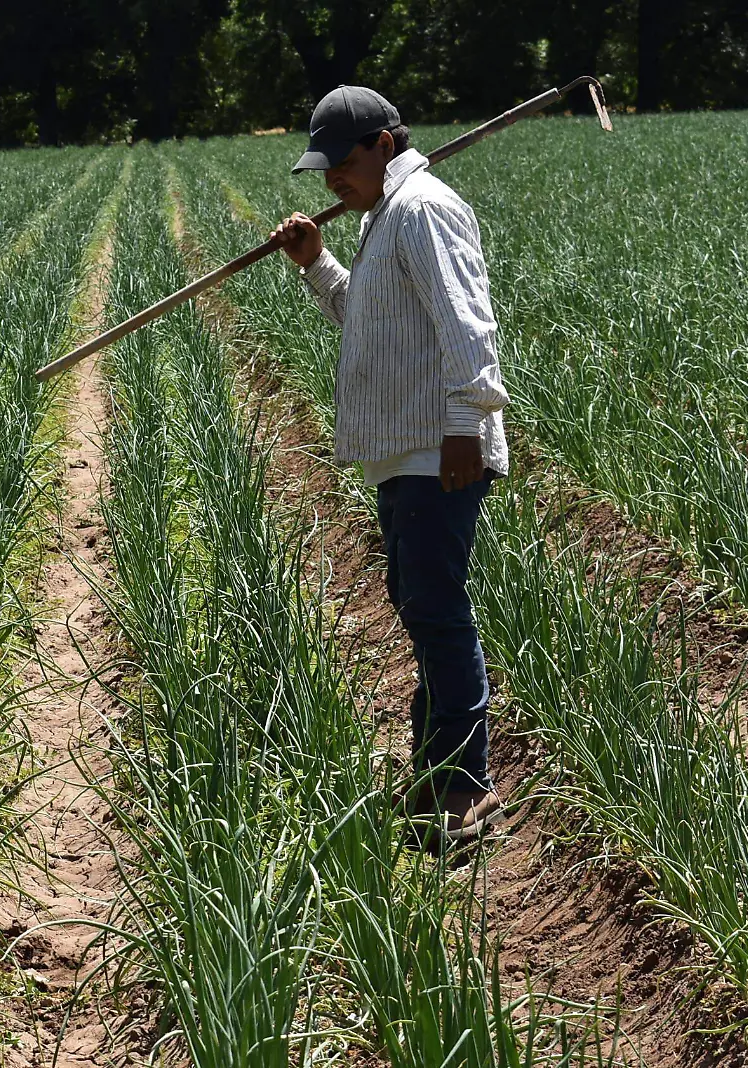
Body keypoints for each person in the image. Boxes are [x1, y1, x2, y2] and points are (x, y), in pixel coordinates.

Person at [269, 85, 508, 851]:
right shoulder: (384, 217)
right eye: (325, 167)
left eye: (341, 161)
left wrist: (467, 426)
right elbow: (374, 326)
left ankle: (464, 788)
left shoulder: (424, 208)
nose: (332, 177)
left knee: (437, 608)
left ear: (383, 144)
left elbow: (466, 323)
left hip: (439, 450)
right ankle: (434, 769)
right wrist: (318, 266)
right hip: (405, 454)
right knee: (418, 601)